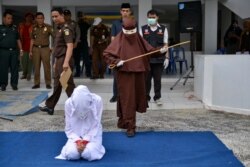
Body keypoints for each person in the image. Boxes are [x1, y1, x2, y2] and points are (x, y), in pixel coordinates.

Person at [103, 17, 168, 137]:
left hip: (139, 73)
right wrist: (116, 61)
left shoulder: (138, 38)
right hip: (124, 74)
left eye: (132, 32)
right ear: (123, 30)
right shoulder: (119, 39)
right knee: (127, 99)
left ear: (135, 30)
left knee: (135, 98)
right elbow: (107, 54)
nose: (130, 35)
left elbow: (149, 51)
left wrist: (160, 51)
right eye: (127, 32)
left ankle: (125, 121)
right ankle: (130, 126)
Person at [39, 7, 75, 115]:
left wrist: (65, 62)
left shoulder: (66, 29)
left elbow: (70, 46)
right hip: (59, 60)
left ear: (62, 15)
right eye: (52, 17)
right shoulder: (59, 28)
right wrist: (55, 62)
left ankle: (77, 108)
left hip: (64, 59)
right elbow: (57, 47)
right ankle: (50, 106)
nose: (54, 18)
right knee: (57, 85)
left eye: (56, 16)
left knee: (68, 85)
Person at [55, 85, 105, 161]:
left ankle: (94, 146)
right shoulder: (68, 103)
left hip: (93, 135)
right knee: (72, 154)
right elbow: (68, 128)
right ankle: (79, 148)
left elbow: (96, 125)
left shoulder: (97, 101)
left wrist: (85, 141)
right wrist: (78, 141)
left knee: (88, 153)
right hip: (75, 135)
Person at [141, 9, 169, 105]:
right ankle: (146, 98)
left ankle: (157, 98)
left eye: (153, 17)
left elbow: (166, 44)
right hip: (147, 60)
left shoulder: (163, 29)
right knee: (146, 81)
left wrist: (167, 57)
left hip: (159, 60)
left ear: (157, 17)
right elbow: (140, 45)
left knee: (158, 80)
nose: (151, 19)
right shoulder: (143, 29)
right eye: (149, 17)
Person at [109, 2, 132, 103]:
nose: (125, 13)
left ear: (129, 12)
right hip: (118, 53)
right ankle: (115, 95)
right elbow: (113, 39)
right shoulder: (115, 23)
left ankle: (127, 95)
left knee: (129, 75)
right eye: (123, 11)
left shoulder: (133, 23)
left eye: (127, 11)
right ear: (120, 11)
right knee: (116, 75)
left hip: (130, 54)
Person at [30, 12, 54, 89]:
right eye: (38, 18)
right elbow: (32, 39)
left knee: (47, 67)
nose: (40, 19)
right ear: (36, 19)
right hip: (36, 49)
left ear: (44, 18)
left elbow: (55, 37)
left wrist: (53, 47)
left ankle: (48, 83)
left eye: (41, 18)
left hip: (45, 48)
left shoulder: (49, 27)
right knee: (36, 67)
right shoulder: (33, 28)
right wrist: (30, 51)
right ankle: (36, 83)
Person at [0, 11, 23, 91]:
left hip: (13, 51)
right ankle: (3, 85)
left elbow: (18, 39)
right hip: (3, 51)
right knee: (3, 69)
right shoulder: (0, 28)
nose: (10, 20)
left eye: (11, 18)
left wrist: (21, 49)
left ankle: (14, 84)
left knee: (15, 69)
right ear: (4, 18)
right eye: (8, 18)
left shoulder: (14, 28)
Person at [74, 12, 91, 78]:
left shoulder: (85, 23)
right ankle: (78, 73)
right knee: (77, 59)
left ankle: (88, 73)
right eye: (79, 16)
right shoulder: (76, 24)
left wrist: (85, 18)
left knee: (86, 58)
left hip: (84, 42)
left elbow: (90, 24)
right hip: (77, 42)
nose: (80, 17)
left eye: (81, 16)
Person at [18, 12, 34, 81]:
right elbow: (18, 35)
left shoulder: (33, 25)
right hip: (23, 43)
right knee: (23, 61)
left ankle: (29, 74)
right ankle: (24, 73)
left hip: (31, 44)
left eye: (30, 17)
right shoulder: (21, 25)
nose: (29, 18)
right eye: (28, 16)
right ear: (25, 17)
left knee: (30, 61)